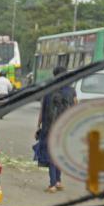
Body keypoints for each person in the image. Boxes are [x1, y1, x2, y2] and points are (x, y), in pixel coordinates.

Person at [34, 65, 77, 193]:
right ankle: (58, 181)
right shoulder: (71, 91)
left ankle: (52, 184)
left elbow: (42, 111)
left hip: (49, 128)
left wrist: (38, 126)